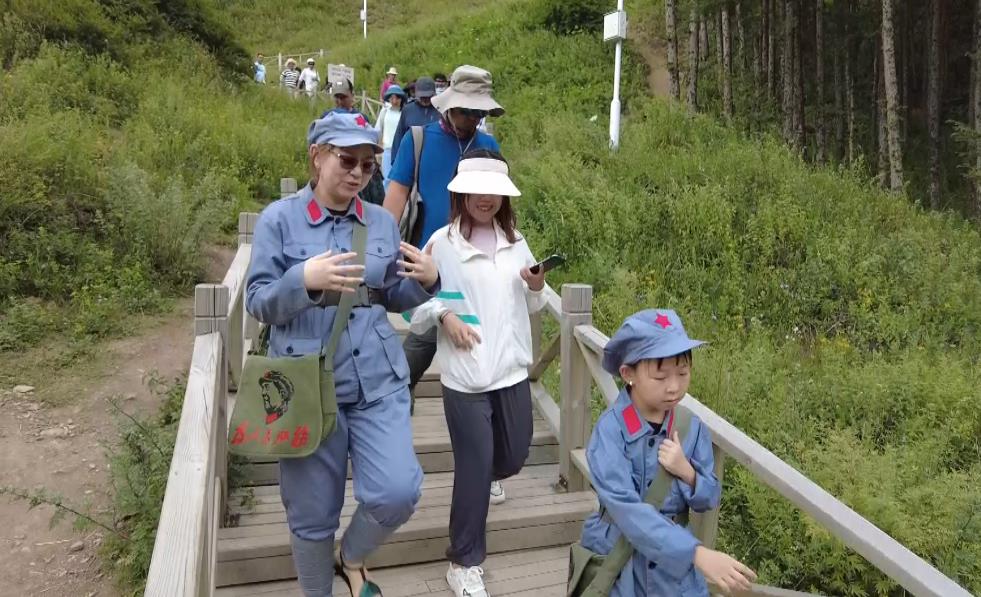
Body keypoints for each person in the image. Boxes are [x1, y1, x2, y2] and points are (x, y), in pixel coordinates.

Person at [245, 111, 440, 597]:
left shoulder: (380, 223)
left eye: (367, 165)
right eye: (346, 160)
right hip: (307, 386)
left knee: (398, 491)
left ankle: (350, 556)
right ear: (317, 156)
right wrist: (303, 281)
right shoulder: (278, 220)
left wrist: (428, 281)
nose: (357, 173)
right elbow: (258, 301)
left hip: (377, 379)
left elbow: (389, 294)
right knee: (312, 514)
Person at [409, 150, 546, 597]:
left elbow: (533, 303)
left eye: (494, 192)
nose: (485, 199)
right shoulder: (441, 244)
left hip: (510, 370)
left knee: (513, 457)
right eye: (477, 191)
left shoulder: (516, 242)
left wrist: (536, 286)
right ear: (461, 194)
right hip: (465, 377)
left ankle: (488, 476)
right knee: (473, 469)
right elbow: (414, 306)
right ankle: (464, 562)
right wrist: (446, 315)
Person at [579, 310, 758, 597]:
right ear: (628, 374)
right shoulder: (611, 431)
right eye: (660, 376)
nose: (674, 386)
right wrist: (696, 554)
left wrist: (687, 472)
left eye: (683, 373)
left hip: (672, 577)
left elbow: (709, 496)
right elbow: (626, 509)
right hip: (621, 562)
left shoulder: (690, 426)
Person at [383, 65, 503, 407]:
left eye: (479, 112)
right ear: (449, 105)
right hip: (429, 262)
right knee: (423, 339)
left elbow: (499, 203)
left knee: (479, 338)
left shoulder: (488, 145)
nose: (473, 119)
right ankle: (395, 399)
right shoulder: (419, 140)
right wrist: (382, 252)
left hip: (476, 262)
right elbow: (395, 199)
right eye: (466, 111)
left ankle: (481, 413)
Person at [388, 76, 441, 176]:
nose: (425, 99)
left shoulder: (441, 110)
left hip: (434, 160)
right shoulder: (408, 110)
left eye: (428, 96)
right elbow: (399, 136)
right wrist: (395, 162)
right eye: (422, 97)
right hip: (410, 160)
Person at [374, 85, 407, 180]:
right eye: (392, 98)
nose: (394, 101)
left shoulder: (405, 113)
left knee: (399, 177)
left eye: (397, 98)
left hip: (401, 149)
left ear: (401, 99)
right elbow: (378, 129)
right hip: (387, 149)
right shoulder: (385, 111)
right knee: (387, 177)